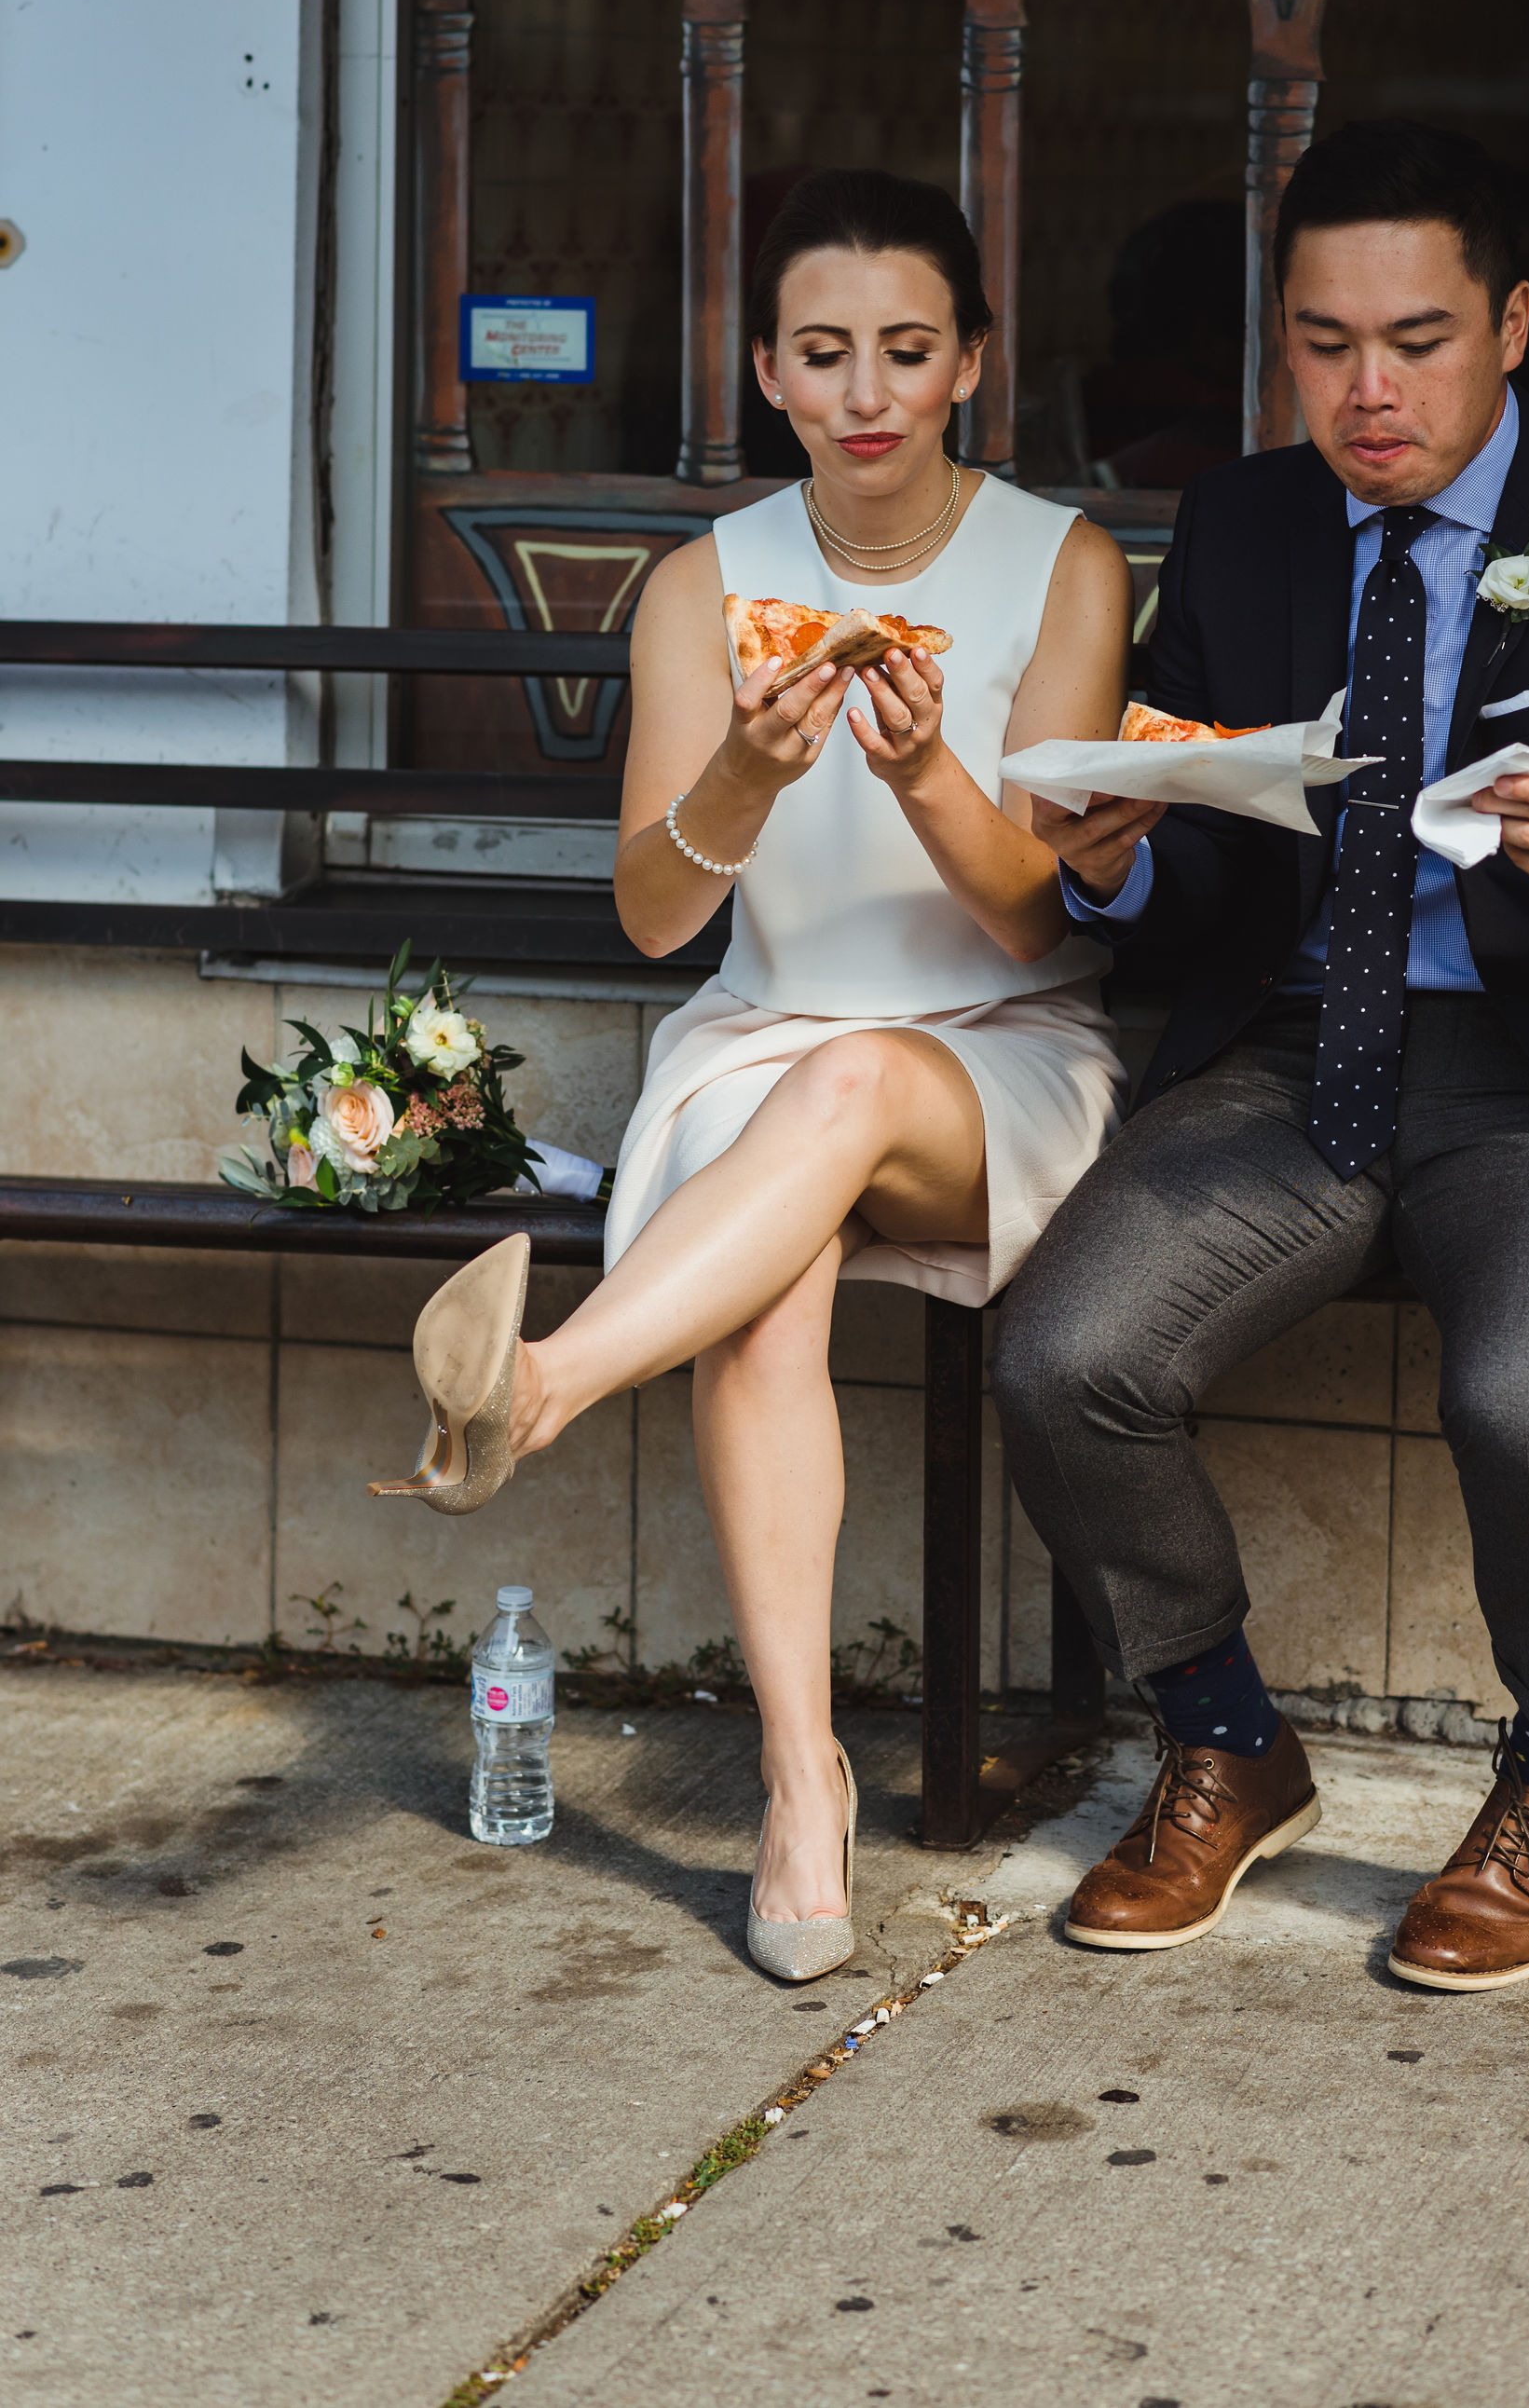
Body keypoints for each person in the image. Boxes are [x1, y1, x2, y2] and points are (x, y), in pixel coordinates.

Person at [994, 118, 1529, 1991]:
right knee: (1061, 1349)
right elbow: (1209, 869)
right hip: (1296, 1065)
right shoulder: (1253, 522)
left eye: (1413, 340)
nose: (1366, 390)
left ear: (1509, 323)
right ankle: (1223, 1732)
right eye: (1323, 341)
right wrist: (1119, 862)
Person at [376, 169, 1134, 1983]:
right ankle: (804, 1782)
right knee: (769, 1266)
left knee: (858, 1088)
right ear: (767, 373)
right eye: (822, 352)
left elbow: (1040, 924)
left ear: (971, 363)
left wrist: (935, 768)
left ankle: (542, 1385)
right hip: (762, 1038)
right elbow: (655, 916)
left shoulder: (1063, 565)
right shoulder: (703, 586)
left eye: (904, 347)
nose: (865, 390)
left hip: (997, 1058)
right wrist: (751, 774)